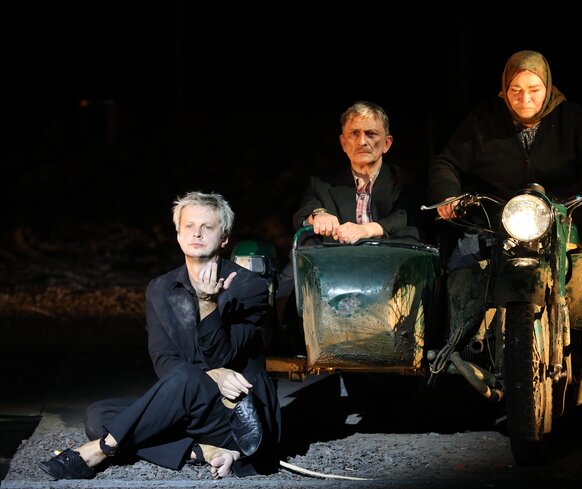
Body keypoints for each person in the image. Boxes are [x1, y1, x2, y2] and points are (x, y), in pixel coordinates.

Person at [38, 191, 281, 480]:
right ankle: (202, 451)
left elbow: (221, 356)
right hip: (186, 405)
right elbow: (164, 360)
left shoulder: (249, 287)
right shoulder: (160, 289)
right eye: (189, 226)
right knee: (99, 415)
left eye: (207, 227)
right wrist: (212, 374)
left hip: (235, 415)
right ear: (178, 235)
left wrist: (208, 304)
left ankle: (98, 450)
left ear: (224, 238)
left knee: (164, 393)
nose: (197, 233)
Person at [428, 50, 582, 373]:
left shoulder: (570, 119)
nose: (525, 98)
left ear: (548, 88)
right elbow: (447, 162)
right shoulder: (484, 120)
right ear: (504, 90)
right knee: (457, 266)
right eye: (515, 90)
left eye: (534, 89)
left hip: (560, 221)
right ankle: (448, 349)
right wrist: (448, 196)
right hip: (498, 222)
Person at [292, 100, 422, 244]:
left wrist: (367, 230)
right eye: (354, 134)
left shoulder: (406, 181)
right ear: (343, 143)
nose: (362, 142)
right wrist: (318, 216)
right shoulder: (321, 182)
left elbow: (405, 217)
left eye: (371, 134)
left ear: (387, 143)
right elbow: (303, 215)